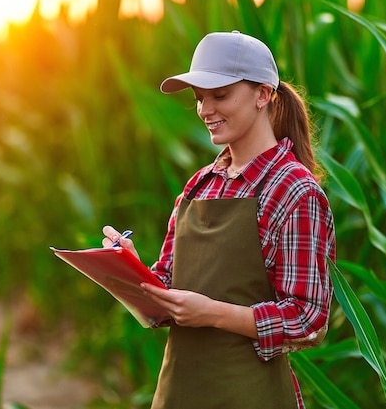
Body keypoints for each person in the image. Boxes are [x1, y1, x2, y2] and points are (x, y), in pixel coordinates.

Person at [103, 31, 335, 409]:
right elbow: (165, 294)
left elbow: (308, 318)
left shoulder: (294, 191)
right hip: (178, 393)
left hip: (251, 395)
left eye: (220, 95)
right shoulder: (199, 185)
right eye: (199, 98)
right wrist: (126, 268)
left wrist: (213, 313)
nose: (205, 109)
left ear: (263, 95)